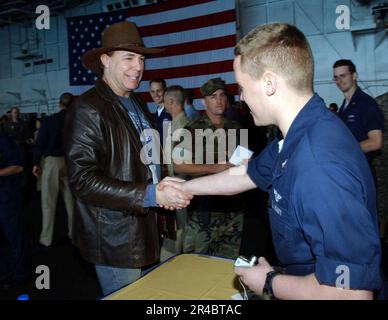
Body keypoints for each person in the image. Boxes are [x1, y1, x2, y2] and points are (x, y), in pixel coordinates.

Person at [160, 23, 382, 299]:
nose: (240, 98)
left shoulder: (320, 165)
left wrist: (269, 281)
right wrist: (184, 189)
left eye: (242, 86)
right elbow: (245, 175)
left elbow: (351, 294)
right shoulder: (299, 134)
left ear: (268, 83)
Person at [63, 21, 192, 296]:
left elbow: (147, 160)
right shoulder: (87, 107)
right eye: (129, 58)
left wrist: (164, 182)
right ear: (105, 60)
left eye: (141, 59)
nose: (138, 67)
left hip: (148, 229)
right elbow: (83, 180)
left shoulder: (138, 103)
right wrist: (151, 194)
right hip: (116, 239)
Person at [173, 78, 244, 259]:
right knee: (196, 263)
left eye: (222, 95)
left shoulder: (236, 127)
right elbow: (178, 164)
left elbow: (243, 157)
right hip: (203, 210)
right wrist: (213, 168)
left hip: (233, 209)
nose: (219, 100)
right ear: (204, 102)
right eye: (213, 97)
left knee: (228, 265)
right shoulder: (193, 129)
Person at [32, 93, 75, 247]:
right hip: (70, 163)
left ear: (59, 103)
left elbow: (40, 143)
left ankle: (46, 238)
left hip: (52, 162)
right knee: (70, 200)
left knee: (48, 202)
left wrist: (36, 163)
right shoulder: (75, 121)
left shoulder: (49, 121)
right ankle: (73, 233)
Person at [333, 59, 384, 167]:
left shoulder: (366, 103)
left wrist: (343, 151)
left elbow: (376, 142)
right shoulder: (345, 106)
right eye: (336, 77)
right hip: (350, 166)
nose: (339, 80)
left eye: (343, 76)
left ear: (354, 76)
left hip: (362, 168)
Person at [0, 134, 31, 288]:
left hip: (6, 197)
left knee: (15, 237)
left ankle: (21, 274)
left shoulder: (3, 140)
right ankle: (5, 274)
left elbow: (17, 166)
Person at [149, 78, 172, 145]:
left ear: (165, 90)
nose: (156, 95)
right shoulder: (157, 112)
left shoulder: (172, 111)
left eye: (158, 91)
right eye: (153, 91)